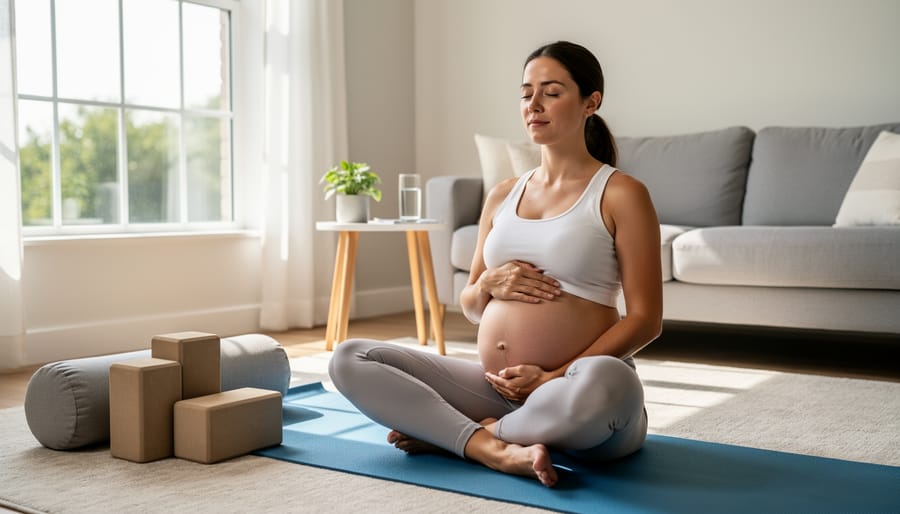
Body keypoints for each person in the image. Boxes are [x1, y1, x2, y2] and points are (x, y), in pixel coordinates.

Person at [328, 40, 662, 488]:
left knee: (608, 379)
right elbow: (469, 304)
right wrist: (488, 284)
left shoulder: (621, 193)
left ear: (591, 102)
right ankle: (494, 449)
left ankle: (463, 435)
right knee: (351, 357)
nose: (534, 105)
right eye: (526, 93)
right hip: (497, 390)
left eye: (552, 91)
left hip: (578, 396)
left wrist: (551, 378)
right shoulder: (503, 194)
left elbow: (646, 319)